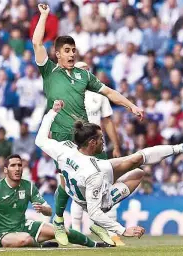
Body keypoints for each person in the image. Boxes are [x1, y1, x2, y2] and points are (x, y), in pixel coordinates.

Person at [32, 4, 144, 246]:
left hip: (88, 135)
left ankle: (97, 221)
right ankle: (60, 220)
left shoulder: (84, 76)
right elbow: (37, 43)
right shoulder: (49, 71)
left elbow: (109, 92)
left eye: (74, 50)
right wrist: (43, 16)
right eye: (67, 50)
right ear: (58, 54)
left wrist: (130, 106)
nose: (72, 54)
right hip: (62, 136)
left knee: (104, 178)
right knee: (66, 179)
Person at [35, 100, 183, 245]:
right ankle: (99, 225)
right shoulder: (93, 172)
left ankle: (182, 147)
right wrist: (123, 230)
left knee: (135, 161)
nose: (104, 142)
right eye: (101, 138)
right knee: (137, 173)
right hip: (92, 198)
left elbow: (40, 139)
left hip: (82, 181)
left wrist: (52, 112)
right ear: (92, 143)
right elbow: (95, 212)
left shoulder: (64, 149)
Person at [0, 154, 110, 248]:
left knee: (62, 231)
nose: (18, 168)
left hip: (23, 226)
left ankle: (95, 245)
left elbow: (48, 211)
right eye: (13, 165)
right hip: (3, 234)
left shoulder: (28, 186)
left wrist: (43, 209)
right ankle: (40, 245)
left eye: (20, 165)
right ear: (5, 170)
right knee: (25, 240)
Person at [73, 61, 124, 246]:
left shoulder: (100, 95)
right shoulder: (70, 95)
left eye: (88, 70)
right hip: (78, 150)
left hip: (99, 149)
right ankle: (76, 235)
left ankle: (113, 235)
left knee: (107, 189)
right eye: (82, 70)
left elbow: (108, 122)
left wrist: (116, 146)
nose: (86, 72)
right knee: (77, 192)